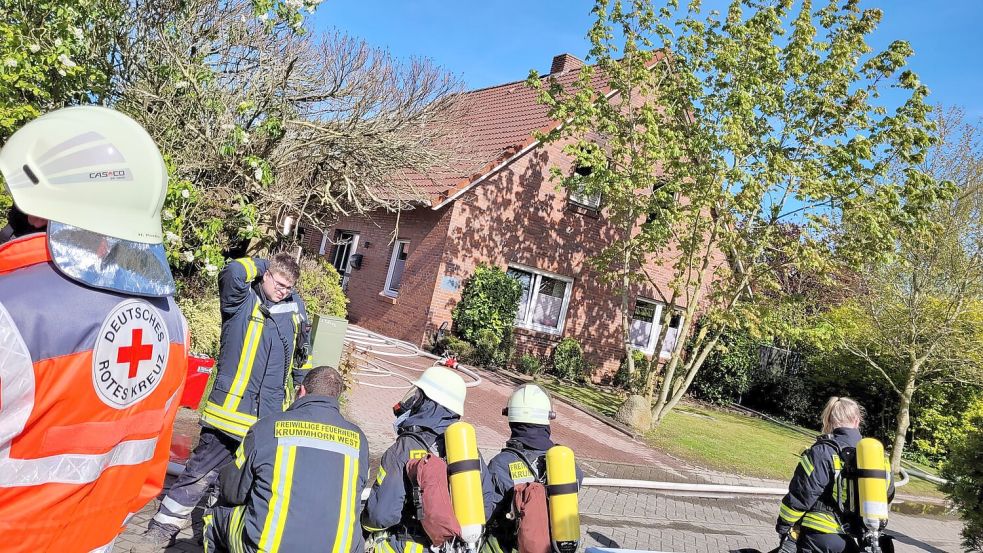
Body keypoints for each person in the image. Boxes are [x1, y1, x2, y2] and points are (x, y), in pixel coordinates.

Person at [0, 106, 188, 552]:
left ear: (41, 211)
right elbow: (149, 466)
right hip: (96, 539)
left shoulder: (11, 309)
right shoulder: (171, 321)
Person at [135, 252, 313, 549]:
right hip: (227, 415)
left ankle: (218, 536)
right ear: (266, 275)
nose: (283, 292)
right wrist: (260, 264)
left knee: (246, 485)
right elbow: (232, 270)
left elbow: (302, 358)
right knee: (199, 474)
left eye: (289, 288)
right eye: (279, 284)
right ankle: (160, 530)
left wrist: (302, 393)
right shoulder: (241, 301)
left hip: (266, 421)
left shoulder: (295, 311)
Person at [203, 366, 369, 553]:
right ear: (335, 399)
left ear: (302, 391)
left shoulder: (267, 427)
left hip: (269, 548)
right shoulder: (359, 441)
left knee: (216, 514)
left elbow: (233, 491)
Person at [362, 366, 493, 553]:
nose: (413, 401)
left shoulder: (405, 447)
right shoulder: (468, 450)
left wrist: (365, 527)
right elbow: (486, 504)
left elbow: (380, 515)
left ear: (427, 402)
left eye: (418, 396)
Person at [776, 397, 895, 553]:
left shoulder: (823, 451)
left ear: (829, 420)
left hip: (819, 536)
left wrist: (784, 525)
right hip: (857, 538)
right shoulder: (876, 458)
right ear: (857, 420)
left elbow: (802, 494)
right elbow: (889, 493)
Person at [483, 384, 582, 553]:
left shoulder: (500, 464)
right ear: (547, 419)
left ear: (511, 419)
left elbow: (486, 513)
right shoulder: (566, 463)